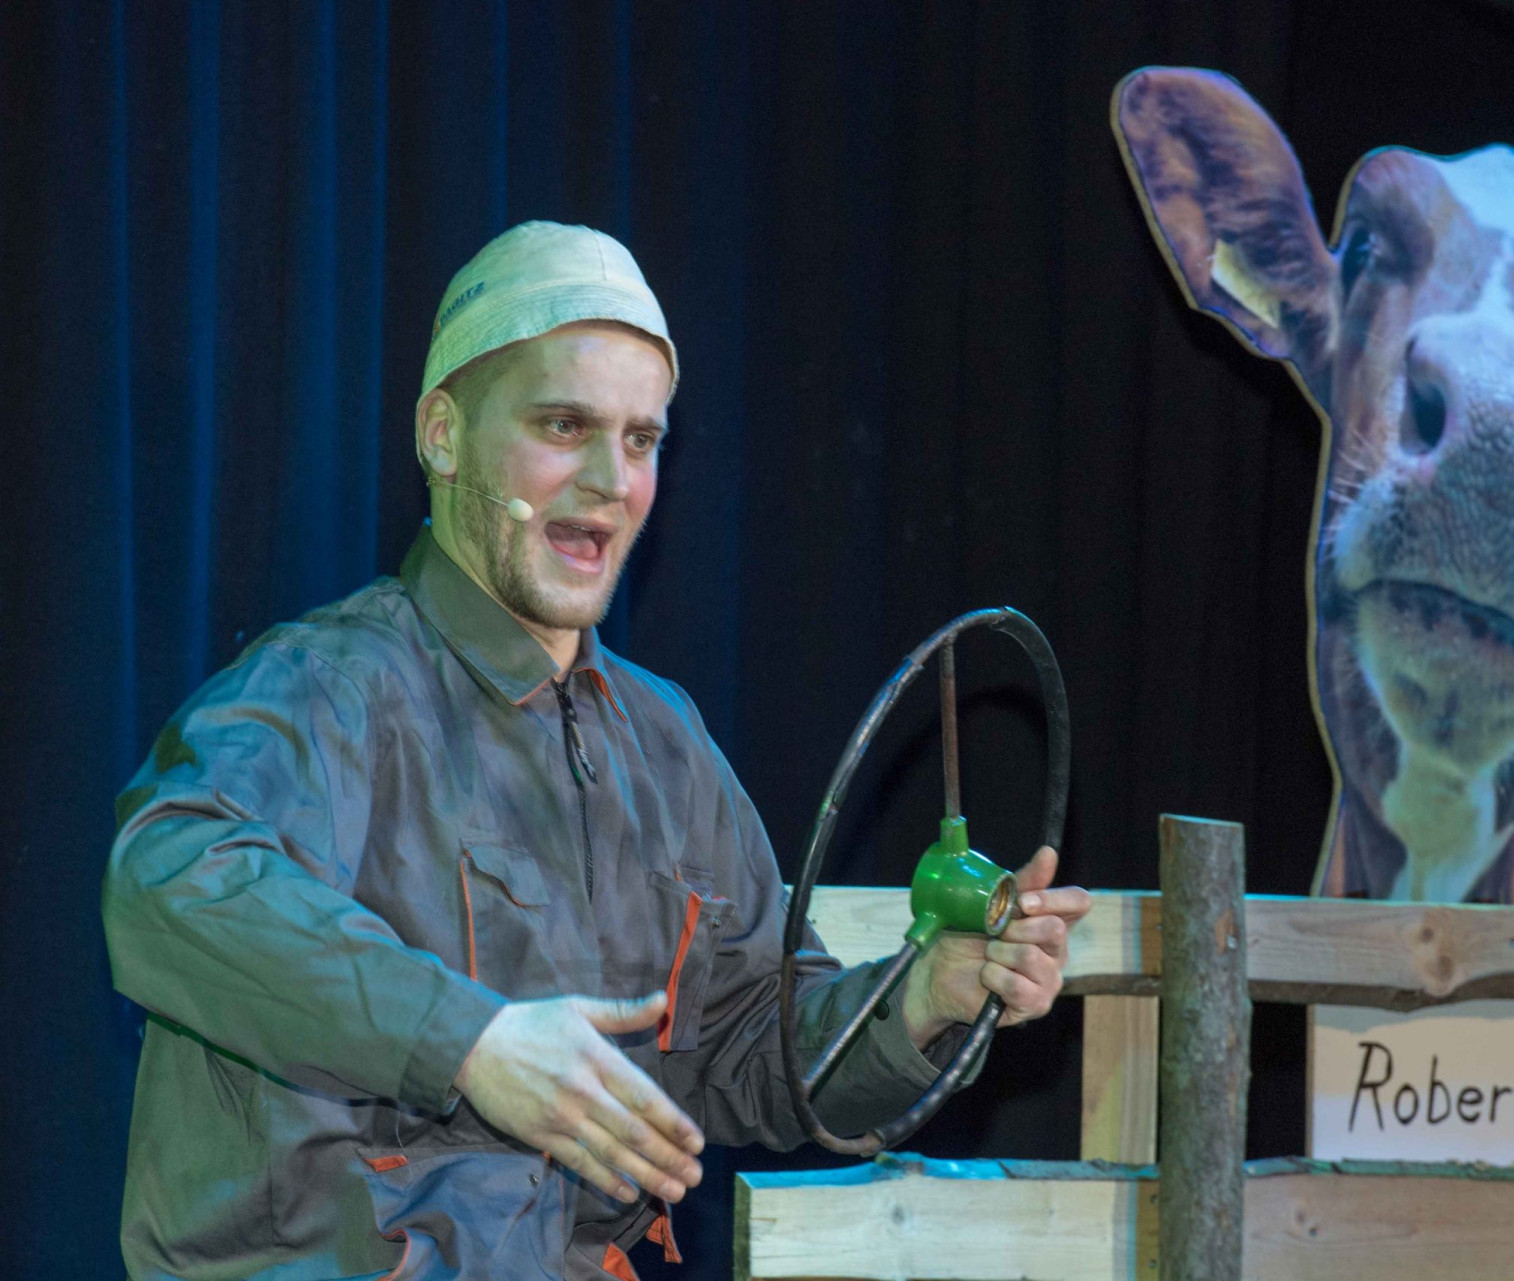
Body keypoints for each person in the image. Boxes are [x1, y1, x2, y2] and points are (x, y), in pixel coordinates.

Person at [102, 221, 1091, 1280]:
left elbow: (751, 1046)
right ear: (443, 435)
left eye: (640, 439)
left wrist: (924, 997)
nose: (610, 479)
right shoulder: (332, 686)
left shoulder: (663, 744)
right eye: (564, 425)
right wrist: (469, 1042)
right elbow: (168, 875)